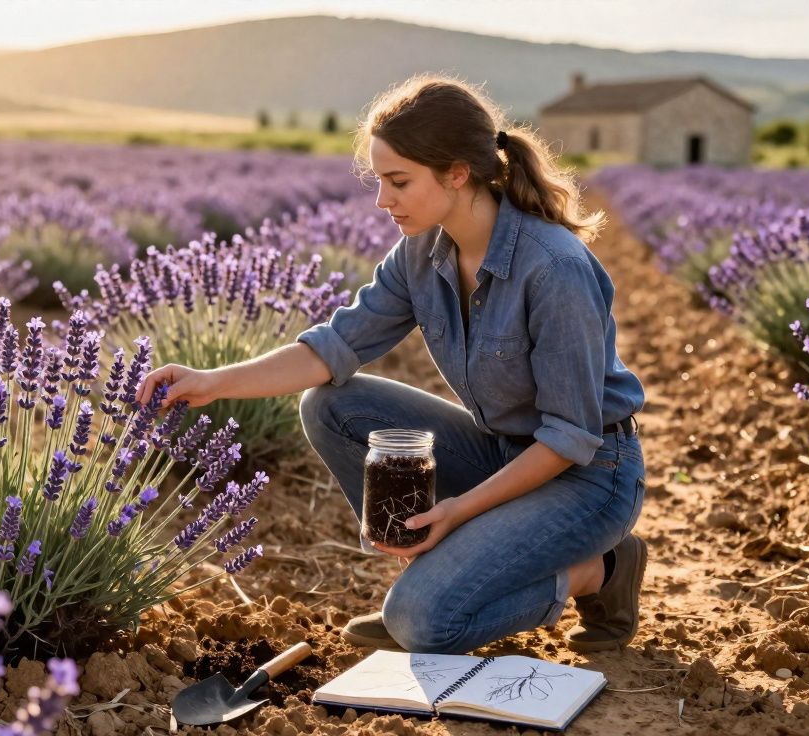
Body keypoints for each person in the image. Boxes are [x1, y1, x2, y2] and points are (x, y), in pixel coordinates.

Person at [135, 74, 647, 655]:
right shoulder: (422, 252)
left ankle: (597, 570)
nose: (382, 200)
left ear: (457, 173)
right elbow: (333, 347)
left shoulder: (553, 268)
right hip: (503, 452)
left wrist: (457, 511)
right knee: (332, 403)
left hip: (586, 477)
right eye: (379, 181)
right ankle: (436, 577)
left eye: (398, 181)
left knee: (426, 625)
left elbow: (567, 438)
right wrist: (212, 382)